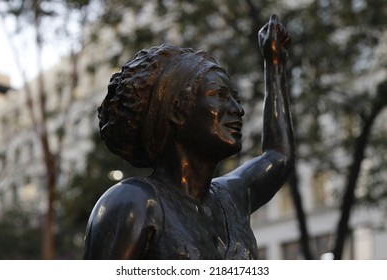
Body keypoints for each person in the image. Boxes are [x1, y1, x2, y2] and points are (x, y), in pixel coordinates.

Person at [83, 14, 294, 260]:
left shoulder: (231, 198)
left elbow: (279, 157)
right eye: (220, 95)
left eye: (236, 98)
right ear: (177, 110)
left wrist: (275, 64)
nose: (238, 109)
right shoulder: (132, 202)